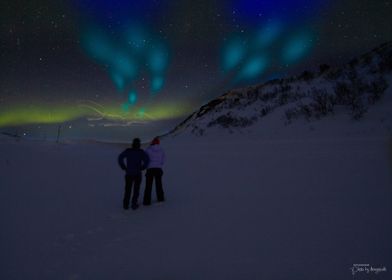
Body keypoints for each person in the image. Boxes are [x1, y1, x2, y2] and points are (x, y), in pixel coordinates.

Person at [118, 138, 150, 210]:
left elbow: (120, 157)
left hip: (129, 173)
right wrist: (143, 167)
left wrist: (123, 166)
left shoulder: (128, 151)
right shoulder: (141, 152)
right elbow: (147, 160)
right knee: (136, 190)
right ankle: (134, 204)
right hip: (137, 174)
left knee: (128, 190)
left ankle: (126, 205)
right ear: (139, 144)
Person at [143, 137, 165, 205]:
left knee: (148, 185)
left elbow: (145, 159)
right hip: (158, 169)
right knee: (159, 185)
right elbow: (163, 160)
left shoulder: (148, 150)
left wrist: (147, 166)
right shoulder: (161, 150)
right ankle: (160, 198)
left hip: (150, 169)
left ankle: (147, 201)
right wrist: (158, 164)